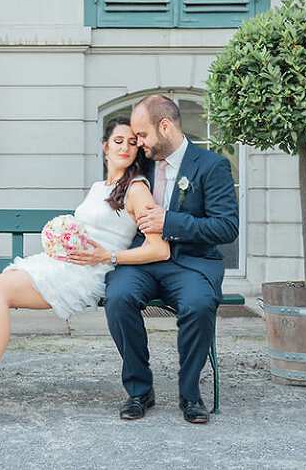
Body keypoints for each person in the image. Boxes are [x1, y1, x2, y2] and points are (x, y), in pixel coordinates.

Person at [0, 118, 170, 428]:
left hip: (85, 274)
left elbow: (159, 249)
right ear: (104, 147)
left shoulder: (137, 188)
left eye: (132, 143)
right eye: (118, 141)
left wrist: (109, 255)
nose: (126, 148)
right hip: (62, 265)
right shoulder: (99, 188)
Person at [103, 94, 239, 424]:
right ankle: (139, 390)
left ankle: (190, 394)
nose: (138, 143)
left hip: (192, 262)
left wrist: (171, 222)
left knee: (198, 305)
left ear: (165, 127)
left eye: (143, 135)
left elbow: (227, 226)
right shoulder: (142, 163)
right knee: (117, 297)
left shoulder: (211, 165)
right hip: (146, 259)